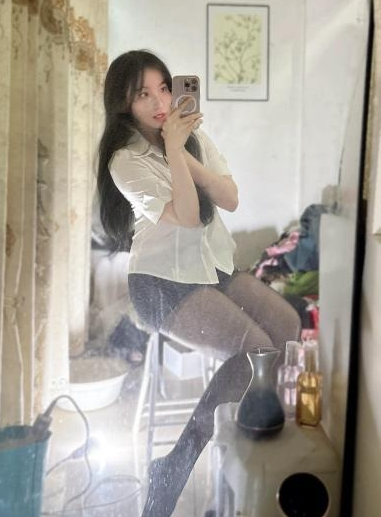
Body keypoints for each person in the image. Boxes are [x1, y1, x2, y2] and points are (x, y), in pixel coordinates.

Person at [96, 49, 301, 517]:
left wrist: (183, 145)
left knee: (286, 326)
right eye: (143, 94)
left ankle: (247, 439)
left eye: (164, 88)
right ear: (124, 104)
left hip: (211, 268)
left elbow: (228, 198)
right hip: (160, 283)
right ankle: (179, 461)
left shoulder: (194, 137)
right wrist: (172, 147)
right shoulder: (125, 160)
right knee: (255, 348)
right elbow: (188, 216)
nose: (159, 102)